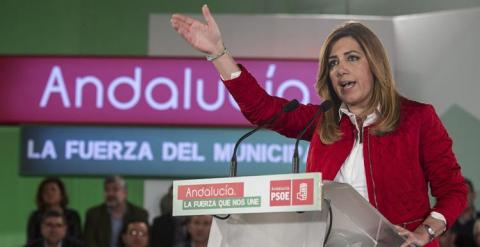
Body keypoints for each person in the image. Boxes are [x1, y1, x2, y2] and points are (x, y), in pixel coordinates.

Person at [170, 5, 467, 247]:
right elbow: (262, 109)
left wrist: (425, 233)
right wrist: (218, 53)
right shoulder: (322, 121)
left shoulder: (418, 119)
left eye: (352, 58)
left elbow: (453, 190)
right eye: (333, 63)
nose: (340, 69)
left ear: (374, 64)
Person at [84, 175, 149, 247]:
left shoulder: (139, 214)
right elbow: (89, 243)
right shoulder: (93, 214)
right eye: (107, 190)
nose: (110, 194)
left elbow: (143, 243)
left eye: (115, 189)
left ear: (125, 193)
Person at [27, 177, 82, 245]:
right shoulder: (35, 217)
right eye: (45, 190)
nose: (49, 193)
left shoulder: (73, 215)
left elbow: (77, 239)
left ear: (61, 194)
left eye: (53, 189)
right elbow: (31, 241)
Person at [450, 178, 479, 246]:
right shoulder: (448, 224)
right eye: (460, 193)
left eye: (467, 192)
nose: (463, 196)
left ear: (474, 195)